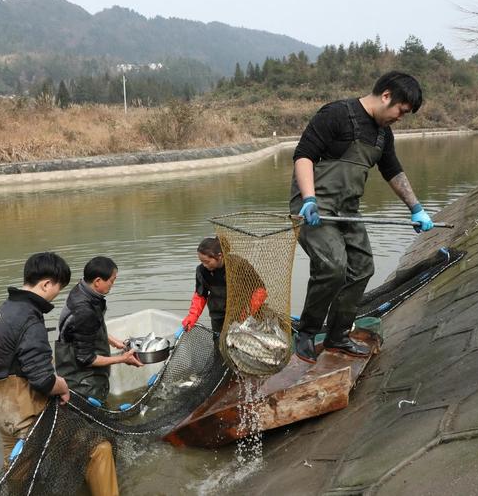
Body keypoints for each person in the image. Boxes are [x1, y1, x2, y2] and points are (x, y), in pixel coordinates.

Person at [290, 71, 433, 364]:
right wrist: (309, 199)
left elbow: (392, 170)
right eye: (401, 111)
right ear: (386, 96)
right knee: (332, 266)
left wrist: (416, 208)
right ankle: (306, 333)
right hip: (313, 207)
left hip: (347, 210)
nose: (399, 117)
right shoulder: (336, 114)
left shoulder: (382, 134)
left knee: (362, 267)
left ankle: (337, 335)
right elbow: (303, 155)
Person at [0, 252, 119, 496]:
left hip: (0, 410)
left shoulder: (7, 308)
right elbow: (43, 379)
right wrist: (63, 386)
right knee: (99, 448)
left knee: (17, 470)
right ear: (46, 283)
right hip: (24, 412)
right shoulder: (29, 319)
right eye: (58, 287)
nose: (58, 294)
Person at [55, 256, 142, 405]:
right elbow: (85, 359)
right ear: (97, 281)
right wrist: (123, 358)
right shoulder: (84, 310)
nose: (113, 285)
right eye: (112, 281)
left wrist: (113, 340)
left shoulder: (82, 290)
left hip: (77, 360)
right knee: (89, 413)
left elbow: (85, 330)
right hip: (82, 380)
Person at [182, 237, 267, 336]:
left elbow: (260, 290)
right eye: (202, 261)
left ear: (220, 256)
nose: (204, 265)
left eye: (207, 261)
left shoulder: (239, 265)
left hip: (243, 314)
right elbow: (201, 295)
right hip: (218, 316)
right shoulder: (202, 271)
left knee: (244, 344)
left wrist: (248, 312)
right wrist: (192, 316)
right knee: (220, 346)